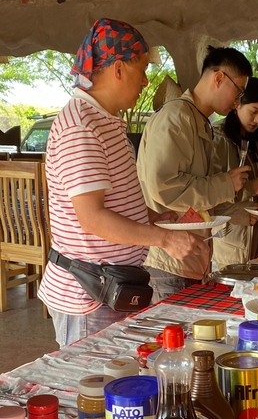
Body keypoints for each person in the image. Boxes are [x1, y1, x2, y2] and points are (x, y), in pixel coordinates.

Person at [38, 18, 208, 347]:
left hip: (112, 287)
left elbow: (111, 199)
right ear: (118, 69)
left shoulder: (105, 119)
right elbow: (92, 218)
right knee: (92, 390)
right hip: (89, 295)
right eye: (141, 69)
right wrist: (163, 239)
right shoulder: (81, 126)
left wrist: (151, 216)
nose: (146, 82)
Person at [137, 45, 252, 302]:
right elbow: (165, 188)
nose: (238, 102)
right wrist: (226, 183)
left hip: (189, 258)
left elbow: (196, 202)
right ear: (219, 78)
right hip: (168, 262)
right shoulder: (176, 117)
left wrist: (236, 212)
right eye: (238, 91)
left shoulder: (197, 120)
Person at [212, 77, 258, 268]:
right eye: (254, 112)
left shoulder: (252, 139)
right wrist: (249, 188)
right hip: (232, 241)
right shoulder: (218, 138)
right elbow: (209, 192)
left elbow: (256, 182)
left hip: (257, 237)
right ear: (237, 103)